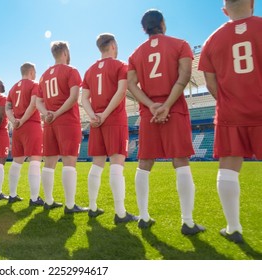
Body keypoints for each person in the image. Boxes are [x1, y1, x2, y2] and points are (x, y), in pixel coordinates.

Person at [127, 9, 205, 235]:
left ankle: (143, 216)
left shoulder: (135, 54)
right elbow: (183, 77)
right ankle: (187, 222)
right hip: (175, 109)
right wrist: (167, 105)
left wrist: (151, 105)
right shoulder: (180, 44)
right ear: (162, 24)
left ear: (144, 29)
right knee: (180, 161)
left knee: (144, 164)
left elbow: (131, 85)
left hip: (148, 112)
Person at [198, 0, 261, 243]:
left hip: (230, 112)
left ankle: (233, 227)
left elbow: (210, 82)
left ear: (224, 10)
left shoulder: (212, 39)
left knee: (228, 167)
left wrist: (227, 101)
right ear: (252, 4)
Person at [81, 33, 138, 223]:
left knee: (96, 165)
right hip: (113, 119)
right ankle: (120, 213)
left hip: (96, 121)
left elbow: (84, 99)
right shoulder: (121, 65)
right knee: (116, 166)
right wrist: (104, 115)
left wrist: (93, 116)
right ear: (113, 45)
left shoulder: (89, 71)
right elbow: (121, 91)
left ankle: (93, 206)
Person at [36, 41, 88, 214]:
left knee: (49, 162)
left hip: (49, 122)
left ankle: (48, 200)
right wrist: (56, 113)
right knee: (69, 162)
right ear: (65, 52)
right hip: (66, 120)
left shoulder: (44, 75)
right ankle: (70, 205)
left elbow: (38, 102)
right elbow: (74, 97)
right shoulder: (71, 70)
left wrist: (47, 113)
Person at [6, 63, 45, 206]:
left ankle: (12, 194)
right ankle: (34, 198)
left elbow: (7, 108)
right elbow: (33, 104)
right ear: (31, 71)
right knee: (35, 160)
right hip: (31, 125)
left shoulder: (13, 87)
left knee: (17, 162)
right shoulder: (34, 84)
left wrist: (14, 121)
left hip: (17, 128)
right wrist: (22, 120)